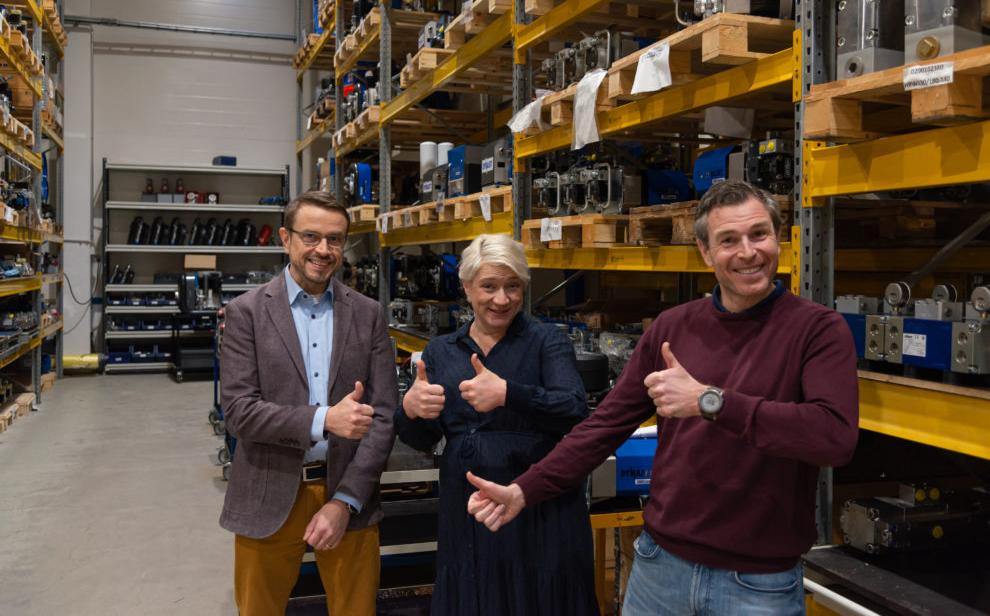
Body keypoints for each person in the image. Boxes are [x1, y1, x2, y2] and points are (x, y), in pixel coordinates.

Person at [466, 180, 859, 616]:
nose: (747, 252)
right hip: (660, 569)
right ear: (706, 252)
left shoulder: (818, 330)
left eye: (759, 235)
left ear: (779, 238)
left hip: (756, 583)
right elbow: (604, 426)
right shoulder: (673, 327)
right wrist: (525, 489)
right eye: (728, 240)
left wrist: (712, 401)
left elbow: (834, 437)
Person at [395, 233, 600, 616]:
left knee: (541, 599)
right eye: (489, 286)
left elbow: (573, 410)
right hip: (468, 509)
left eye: (512, 287)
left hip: (538, 503)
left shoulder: (547, 342)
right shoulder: (442, 351)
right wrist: (408, 409)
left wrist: (509, 393)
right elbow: (422, 437)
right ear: (468, 287)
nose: (501, 300)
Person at [219, 190, 398, 616]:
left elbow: (385, 416)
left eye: (335, 239)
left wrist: (345, 501)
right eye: (311, 236)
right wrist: (324, 420)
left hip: (348, 492)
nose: (323, 250)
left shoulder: (369, 314)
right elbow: (239, 412)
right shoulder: (247, 313)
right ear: (285, 238)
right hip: (268, 489)